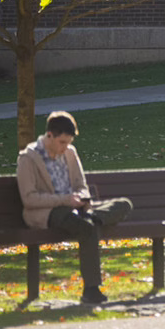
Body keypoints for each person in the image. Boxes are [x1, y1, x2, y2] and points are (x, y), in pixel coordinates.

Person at [16, 111, 133, 305]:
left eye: (68, 143)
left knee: (124, 204)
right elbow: (29, 199)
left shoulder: (70, 153)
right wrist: (64, 200)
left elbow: (80, 184)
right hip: (48, 212)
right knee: (84, 226)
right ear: (50, 135)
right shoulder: (28, 158)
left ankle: (92, 217)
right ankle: (92, 289)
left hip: (76, 209)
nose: (65, 147)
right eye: (62, 142)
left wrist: (82, 197)